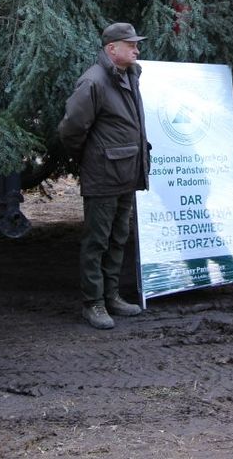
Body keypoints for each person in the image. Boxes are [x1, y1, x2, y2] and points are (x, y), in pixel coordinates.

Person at [58, 22, 150, 330]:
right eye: (131, 44)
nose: (137, 49)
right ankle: (93, 303)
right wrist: (92, 157)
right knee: (97, 240)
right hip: (103, 175)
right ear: (112, 49)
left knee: (118, 237)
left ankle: (112, 297)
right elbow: (71, 128)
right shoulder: (94, 81)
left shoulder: (129, 75)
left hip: (126, 173)